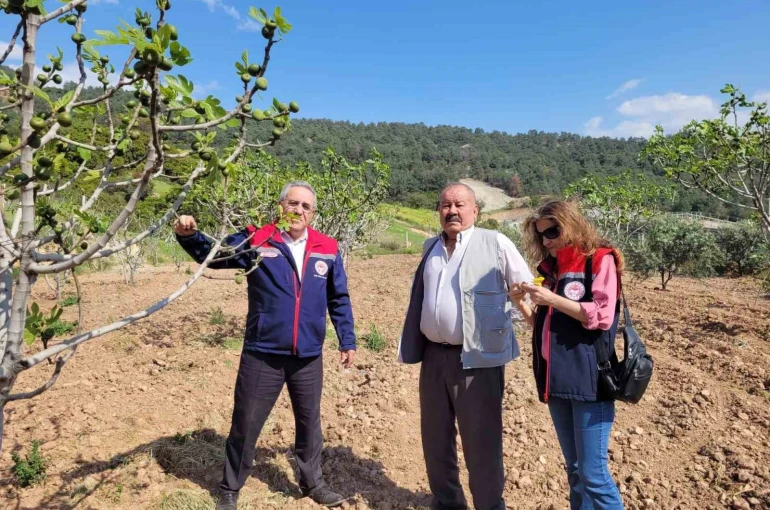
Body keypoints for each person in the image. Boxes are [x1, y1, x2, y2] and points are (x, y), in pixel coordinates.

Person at [174, 181, 356, 509]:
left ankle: (312, 482)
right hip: (263, 352)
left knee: (309, 422)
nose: (298, 210)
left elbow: (338, 297)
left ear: (312, 213)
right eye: (293, 203)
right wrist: (190, 236)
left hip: (308, 355)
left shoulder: (327, 247)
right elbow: (215, 257)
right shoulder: (257, 238)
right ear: (280, 205)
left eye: (306, 206)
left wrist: (347, 338)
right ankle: (230, 488)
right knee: (246, 421)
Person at [398, 182, 534, 510]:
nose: (452, 211)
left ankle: (489, 505)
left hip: (477, 362)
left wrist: (502, 327)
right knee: (435, 440)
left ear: (476, 211)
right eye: (445, 205)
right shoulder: (430, 247)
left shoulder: (496, 243)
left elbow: (526, 292)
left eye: (460, 204)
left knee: (481, 443)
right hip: (433, 358)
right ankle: (448, 503)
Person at [510, 199, 625, 510]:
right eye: (541, 235)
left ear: (571, 224)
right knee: (575, 471)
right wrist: (522, 304)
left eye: (553, 231)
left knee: (593, 474)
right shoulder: (552, 270)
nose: (547, 240)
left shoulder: (599, 260)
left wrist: (553, 298)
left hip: (589, 382)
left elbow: (601, 316)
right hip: (556, 380)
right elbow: (545, 326)